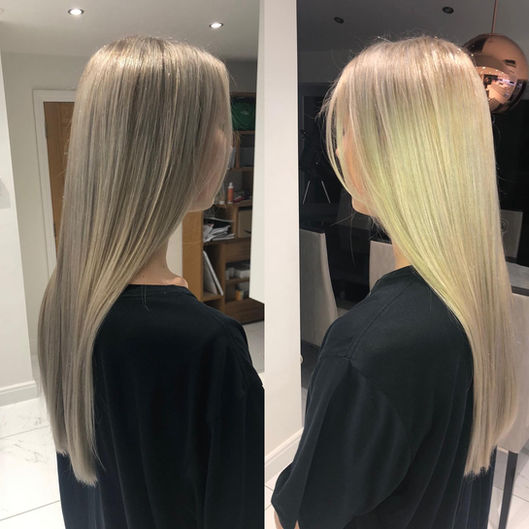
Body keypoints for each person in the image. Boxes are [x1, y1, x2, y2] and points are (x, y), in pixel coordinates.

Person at [271, 34, 519, 529]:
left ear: (392, 149)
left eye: (348, 128)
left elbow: (300, 520)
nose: (339, 146)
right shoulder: (474, 306)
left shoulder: (370, 347)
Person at [37, 35, 263, 529]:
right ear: (181, 150)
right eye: (219, 122)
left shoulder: (65, 299)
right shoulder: (210, 344)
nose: (229, 140)